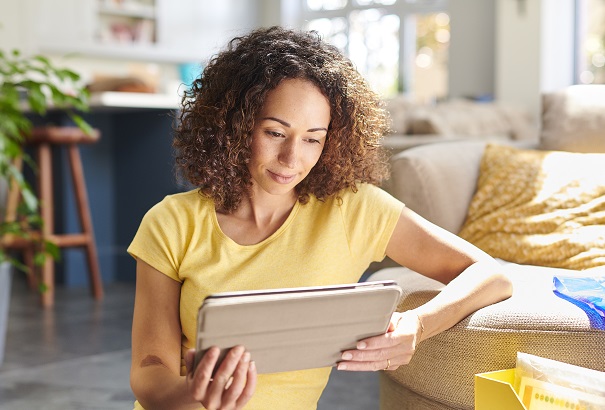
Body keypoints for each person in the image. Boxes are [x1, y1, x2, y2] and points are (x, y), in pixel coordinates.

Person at [128, 26, 513, 410]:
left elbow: (489, 275)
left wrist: (417, 324)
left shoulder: (354, 210)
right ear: (235, 126)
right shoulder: (171, 223)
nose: (292, 159)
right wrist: (196, 395)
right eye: (276, 133)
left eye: (313, 138)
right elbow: (150, 369)